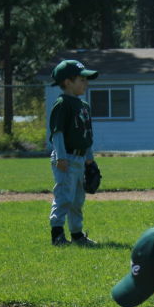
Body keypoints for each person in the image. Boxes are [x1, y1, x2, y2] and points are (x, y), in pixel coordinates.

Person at [48, 59, 100, 246]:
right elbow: (57, 133)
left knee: (78, 199)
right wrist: (60, 156)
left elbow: (86, 136)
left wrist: (90, 161)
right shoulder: (62, 104)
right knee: (64, 197)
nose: (86, 83)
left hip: (79, 158)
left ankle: (77, 235)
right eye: (81, 79)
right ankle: (57, 234)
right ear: (68, 82)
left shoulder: (83, 105)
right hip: (66, 157)